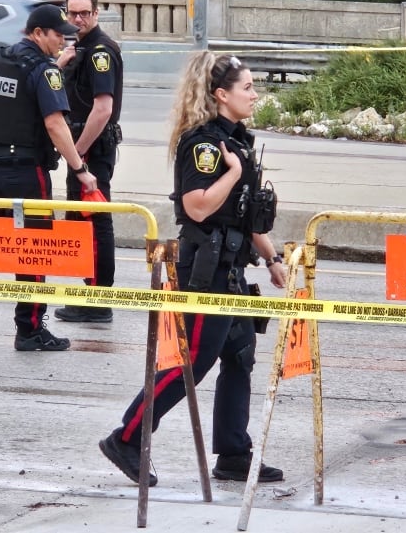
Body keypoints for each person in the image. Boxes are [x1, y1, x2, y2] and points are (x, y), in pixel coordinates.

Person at [99, 52, 287, 486]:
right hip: (206, 270)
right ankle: (127, 437)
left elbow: (248, 215)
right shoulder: (204, 144)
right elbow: (197, 207)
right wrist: (233, 172)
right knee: (192, 364)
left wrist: (273, 259)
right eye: (248, 87)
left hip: (234, 269)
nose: (255, 94)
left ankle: (234, 455)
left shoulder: (236, 140)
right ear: (222, 95)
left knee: (240, 356)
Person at [0, 4, 98, 351]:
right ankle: (30, 330)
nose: (64, 40)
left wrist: (0, 146)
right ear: (38, 33)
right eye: (58, 34)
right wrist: (80, 168)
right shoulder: (43, 70)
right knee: (33, 252)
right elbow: (55, 124)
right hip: (27, 172)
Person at [54, 0, 123, 324]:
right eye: (72, 13)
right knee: (83, 222)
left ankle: (99, 300)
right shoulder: (77, 48)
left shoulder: (99, 51)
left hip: (91, 148)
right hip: (81, 147)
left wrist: (77, 155)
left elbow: (103, 109)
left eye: (84, 13)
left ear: (96, 14)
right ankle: (90, 294)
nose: (78, 19)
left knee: (96, 223)